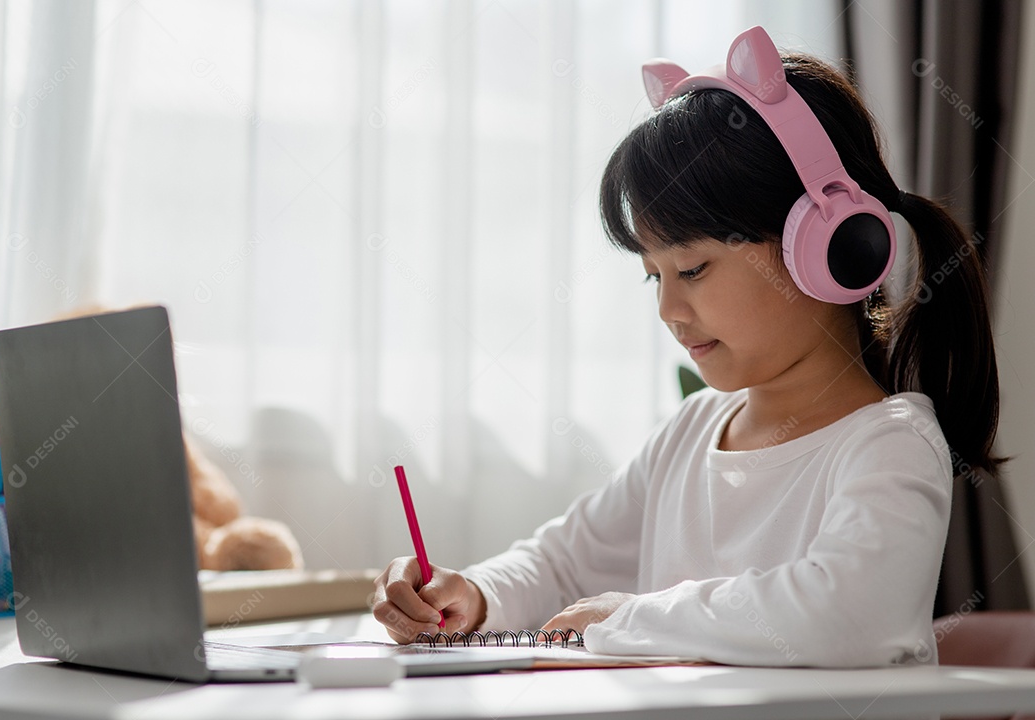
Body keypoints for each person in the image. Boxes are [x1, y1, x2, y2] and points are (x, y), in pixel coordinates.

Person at [371, 26, 999, 667]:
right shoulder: (693, 430)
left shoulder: (889, 443)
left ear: (827, 247)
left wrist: (630, 616)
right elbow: (562, 563)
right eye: (655, 276)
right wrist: (474, 595)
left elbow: (853, 615)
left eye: (693, 269)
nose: (669, 310)